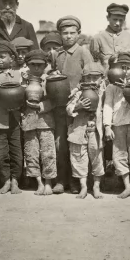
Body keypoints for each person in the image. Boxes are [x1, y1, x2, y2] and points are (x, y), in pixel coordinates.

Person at [51, 15, 93, 194]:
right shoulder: (57, 54)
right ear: (60, 34)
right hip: (61, 106)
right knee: (60, 144)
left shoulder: (84, 52)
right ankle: (62, 180)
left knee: (77, 143)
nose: (68, 36)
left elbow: (91, 77)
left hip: (79, 106)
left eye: (72, 33)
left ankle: (77, 181)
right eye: (65, 33)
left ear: (78, 34)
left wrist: (81, 99)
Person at [103, 52, 130, 199]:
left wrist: (129, 87)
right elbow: (107, 106)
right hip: (118, 124)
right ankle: (127, 187)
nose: (125, 71)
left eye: (128, 67)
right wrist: (107, 126)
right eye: (122, 67)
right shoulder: (111, 87)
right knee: (119, 155)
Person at [0, 40, 23, 194]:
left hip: (15, 119)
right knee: (1, 153)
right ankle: (5, 181)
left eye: (3, 56)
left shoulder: (19, 74)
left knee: (16, 151)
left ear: (12, 58)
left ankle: (15, 181)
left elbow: (24, 96)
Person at [67, 62, 106, 199]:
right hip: (79, 129)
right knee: (78, 157)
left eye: (95, 78)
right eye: (88, 78)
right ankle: (83, 186)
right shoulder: (78, 92)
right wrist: (77, 106)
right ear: (83, 79)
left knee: (96, 157)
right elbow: (69, 108)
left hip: (96, 130)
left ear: (102, 78)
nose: (91, 81)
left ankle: (96, 186)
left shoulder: (104, 92)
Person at [21, 50, 56, 195]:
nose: (36, 68)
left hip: (45, 121)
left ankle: (48, 182)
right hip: (28, 121)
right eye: (32, 65)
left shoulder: (50, 80)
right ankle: (39, 182)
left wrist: (41, 107)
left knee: (48, 152)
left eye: (40, 65)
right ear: (27, 65)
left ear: (45, 65)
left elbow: (55, 100)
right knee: (31, 152)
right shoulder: (22, 80)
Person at [91, 3, 130, 71]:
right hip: (104, 79)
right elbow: (93, 64)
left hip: (126, 79)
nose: (118, 23)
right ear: (108, 18)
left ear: (124, 19)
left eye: (121, 20)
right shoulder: (97, 38)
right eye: (115, 19)